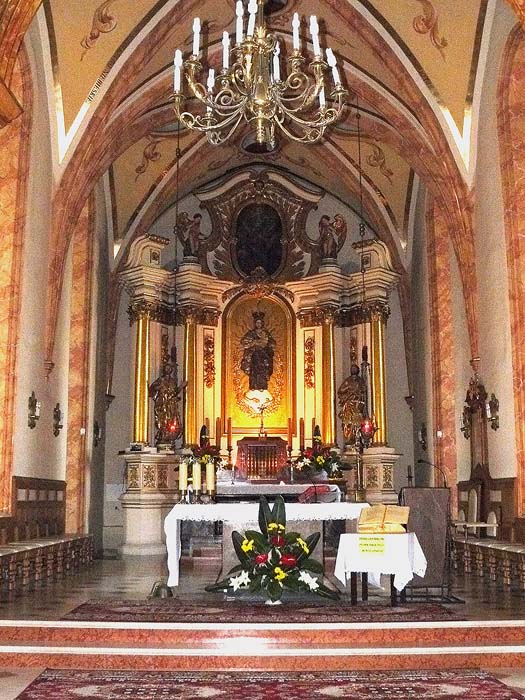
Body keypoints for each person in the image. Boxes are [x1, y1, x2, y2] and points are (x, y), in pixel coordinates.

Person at [148, 363, 186, 444]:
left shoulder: (172, 381)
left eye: (169, 368)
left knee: (171, 421)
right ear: (164, 369)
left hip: (171, 405)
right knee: (162, 421)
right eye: (166, 368)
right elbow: (152, 389)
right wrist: (159, 387)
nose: (168, 369)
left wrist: (181, 386)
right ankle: (162, 435)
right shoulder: (160, 380)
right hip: (162, 404)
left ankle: (168, 436)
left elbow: (175, 392)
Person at [240, 312, 276, 391]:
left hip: (264, 355)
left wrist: (266, 343)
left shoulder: (266, 333)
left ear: (262, 323)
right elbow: (244, 342)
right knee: (254, 370)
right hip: (254, 355)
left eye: (260, 323)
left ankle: (262, 386)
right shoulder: (251, 333)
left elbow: (273, 343)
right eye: (257, 323)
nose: (258, 324)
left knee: (262, 370)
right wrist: (254, 342)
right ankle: (253, 385)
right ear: (255, 323)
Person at [337, 364, 367, 444]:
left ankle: (357, 438)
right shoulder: (348, 380)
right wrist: (349, 388)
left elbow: (363, 389)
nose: (353, 370)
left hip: (358, 403)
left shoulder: (360, 380)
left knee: (357, 421)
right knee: (348, 422)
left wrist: (359, 393)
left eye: (354, 368)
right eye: (352, 368)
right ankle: (349, 438)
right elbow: (341, 390)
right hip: (349, 404)